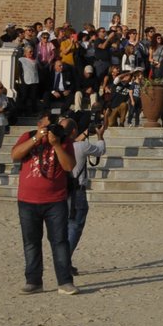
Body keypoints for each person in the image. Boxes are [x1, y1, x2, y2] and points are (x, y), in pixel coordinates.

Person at [10, 116, 77, 294]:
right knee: (31, 242)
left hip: (55, 200)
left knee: (59, 242)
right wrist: (36, 139)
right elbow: (15, 155)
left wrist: (55, 144)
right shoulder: (28, 136)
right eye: (46, 125)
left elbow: (69, 166)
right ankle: (33, 281)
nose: (50, 128)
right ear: (39, 124)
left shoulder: (63, 141)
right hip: (27, 200)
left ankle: (64, 282)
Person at [65, 115, 106, 274]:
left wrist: (84, 134)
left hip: (61, 190)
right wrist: (100, 136)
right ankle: (64, 260)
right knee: (75, 225)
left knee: (64, 226)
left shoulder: (60, 145)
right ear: (74, 131)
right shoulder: (81, 146)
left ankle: (64, 260)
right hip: (77, 191)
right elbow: (101, 150)